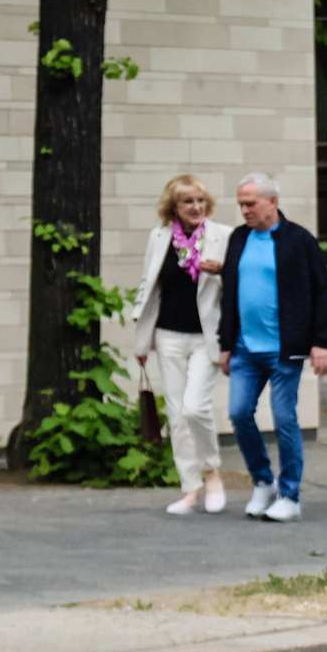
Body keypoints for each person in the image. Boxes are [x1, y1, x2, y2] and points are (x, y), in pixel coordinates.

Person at [219, 173, 327, 522]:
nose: (244, 210)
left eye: (250, 203)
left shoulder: (298, 240)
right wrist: (226, 344)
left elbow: (322, 292)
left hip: (285, 348)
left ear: (272, 201)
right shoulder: (238, 239)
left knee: (285, 418)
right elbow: (230, 294)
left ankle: (290, 494)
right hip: (244, 350)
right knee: (239, 413)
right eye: (241, 204)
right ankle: (262, 481)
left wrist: (321, 343)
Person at [130, 175, 229, 514]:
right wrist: (142, 341)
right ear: (174, 207)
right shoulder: (159, 238)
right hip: (168, 335)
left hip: (206, 337)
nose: (196, 207)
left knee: (194, 408)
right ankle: (190, 489)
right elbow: (149, 287)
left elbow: (239, 284)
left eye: (201, 200)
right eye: (188, 201)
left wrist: (222, 271)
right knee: (176, 414)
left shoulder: (222, 236)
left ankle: (213, 472)